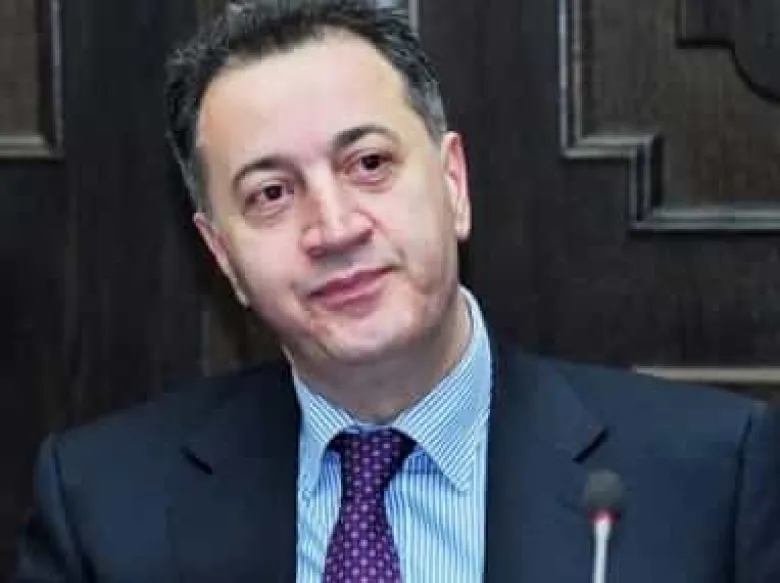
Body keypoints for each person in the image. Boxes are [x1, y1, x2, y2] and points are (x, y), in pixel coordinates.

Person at [11, 1, 780, 581]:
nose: (335, 227)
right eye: (272, 193)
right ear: (223, 256)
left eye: (370, 164)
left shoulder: (711, 476)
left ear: (454, 185)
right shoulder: (102, 506)